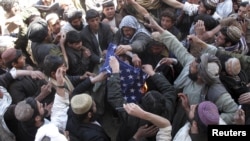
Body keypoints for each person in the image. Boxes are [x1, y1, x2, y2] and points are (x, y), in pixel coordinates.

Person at [143, 14, 238, 134]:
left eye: (193, 66)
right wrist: (157, 27)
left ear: (200, 76)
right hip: (175, 107)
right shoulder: (191, 62)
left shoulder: (215, 90)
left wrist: (204, 121)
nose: (190, 64)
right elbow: (175, 45)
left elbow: (233, 112)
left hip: (190, 123)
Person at [107, 56, 177, 141]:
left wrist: (115, 71)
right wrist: (152, 73)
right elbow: (169, 90)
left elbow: (115, 97)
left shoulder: (132, 115)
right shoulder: (168, 109)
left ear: (141, 105)